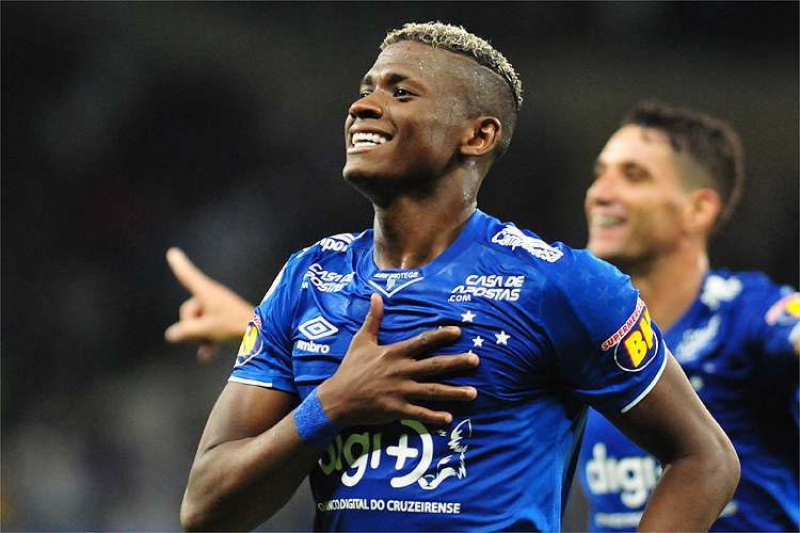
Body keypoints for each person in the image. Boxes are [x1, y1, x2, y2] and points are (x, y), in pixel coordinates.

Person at [176, 22, 739, 532]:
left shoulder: (560, 284)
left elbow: (705, 458)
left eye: (401, 93)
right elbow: (205, 509)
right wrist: (330, 407)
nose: (363, 106)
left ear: (478, 136)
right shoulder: (307, 279)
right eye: (367, 88)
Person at [576, 102, 799, 532]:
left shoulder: (744, 312)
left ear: (698, 209)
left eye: (633, 175)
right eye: (600, 173)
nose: (600, 193)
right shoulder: (581, 332)